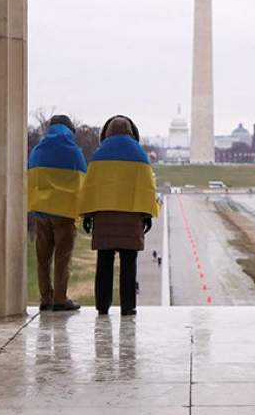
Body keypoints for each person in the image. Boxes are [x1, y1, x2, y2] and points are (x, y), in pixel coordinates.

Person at [78, 115, 158, 316]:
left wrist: (88, 215)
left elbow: (90, 187)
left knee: (104, 264)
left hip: (104, 219)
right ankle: (128, 306)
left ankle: (102, 306)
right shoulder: (139, 154)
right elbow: (147, 187)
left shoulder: (99, 154)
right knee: (129, 265)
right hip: (131, 219)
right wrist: (147, 214)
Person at [27, 115, 87, 312]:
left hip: (42, 211)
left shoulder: (37, 150)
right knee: (62, 257)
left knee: (42, 258)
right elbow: (82, 183)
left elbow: (31, 179)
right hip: (64, 212)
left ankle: (45, 298)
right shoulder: (73, 152)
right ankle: (60, 299)